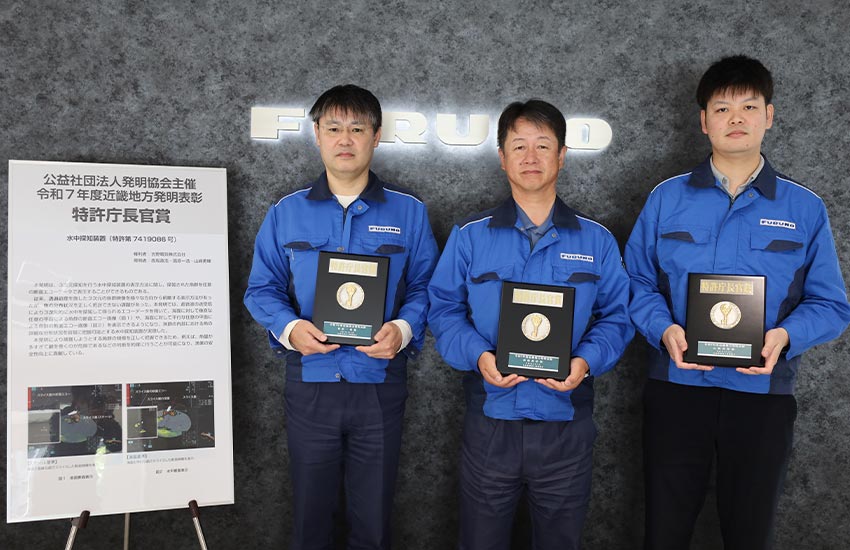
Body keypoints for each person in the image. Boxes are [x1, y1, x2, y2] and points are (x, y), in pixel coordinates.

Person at [624, 55, 850, 550]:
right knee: (664, 531)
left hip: (762, 395)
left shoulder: (804, 207)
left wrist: (784, 337)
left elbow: (831, 305)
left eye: (749, 106)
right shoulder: (666, 198)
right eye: (722, 109)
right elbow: (634, 282)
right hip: (678, 388)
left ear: (769, 116)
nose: (736, 118)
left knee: (750, 534)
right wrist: (663, 329)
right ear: (703, 121)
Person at [427, 99, 633, 550]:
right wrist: (478, 356)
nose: (531, 156)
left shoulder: (597, 240)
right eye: (519, 146)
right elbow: (442, 310)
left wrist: (585, 361)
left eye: (543, 145)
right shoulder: (470, 235)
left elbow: (618, 316)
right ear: (502, 157)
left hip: (567, 421)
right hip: (491, 418)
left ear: (562, 155)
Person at [244, 84, 438, 550]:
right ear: (317, 134)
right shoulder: (286, 212)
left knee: (373, 516)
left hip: (379, 381)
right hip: (310, 380)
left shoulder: (409, 213)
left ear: (376, 136)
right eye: (333, 128)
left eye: (357, 128)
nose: (345, 139)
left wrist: (403, 330)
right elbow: (261, 289)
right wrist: (291, 328)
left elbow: (428, 287)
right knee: (311, 515)